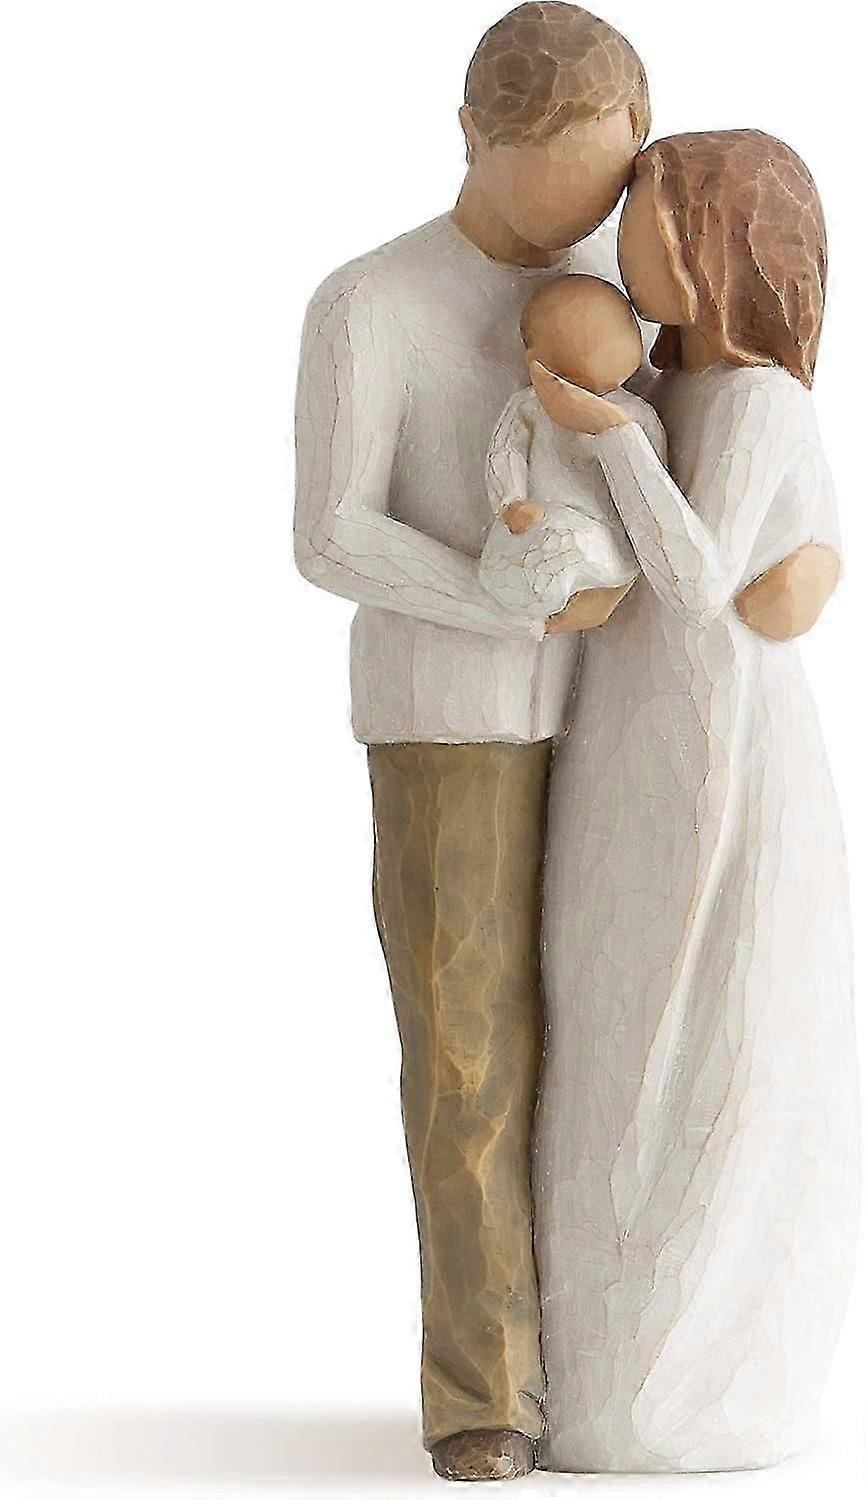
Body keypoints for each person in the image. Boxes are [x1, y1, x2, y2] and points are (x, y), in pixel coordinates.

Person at [293, 3, 652, 1481]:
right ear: (468, 137)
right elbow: (328, 532)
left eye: (605, 181)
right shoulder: (371, 302)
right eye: (551, 180)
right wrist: (496, 598)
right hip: (449, 723)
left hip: (630, 708)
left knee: (622, 1028)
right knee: (468, 1054)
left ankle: (623, 1365)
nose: (583, 219)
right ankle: (485, 1387)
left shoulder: (617, 295)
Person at [531, 130, 859, 1474]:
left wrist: (610, 438)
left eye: (650, 222)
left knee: (704, 1019)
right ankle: (591, 1372)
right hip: (628, 728)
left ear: (716, 247)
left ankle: (692, 1384)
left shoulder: (762, 405)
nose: (624, 246)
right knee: (606, 1011)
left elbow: (695, 575)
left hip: (721, 745)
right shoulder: (676, 390)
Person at [479, 274, 664, 624]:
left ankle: (594, 590)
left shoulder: (636, 416)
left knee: (564, 547)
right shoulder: (529, 407)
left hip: (603, 537)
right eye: (591, 336)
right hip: (539, 522)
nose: (611, 343)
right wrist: (511, 501)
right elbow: (506, 452)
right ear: (537, 360)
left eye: (622, 329)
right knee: (515, 559)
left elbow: (651, 491)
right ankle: (537, 604)